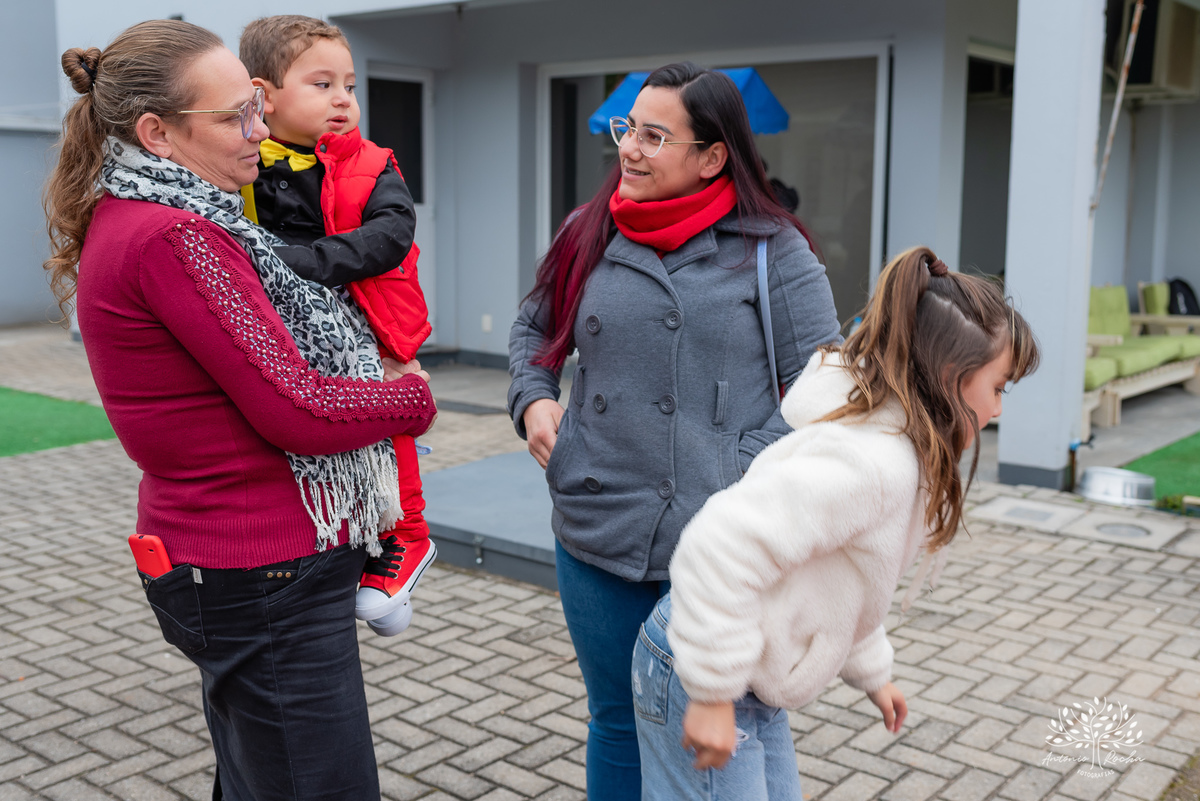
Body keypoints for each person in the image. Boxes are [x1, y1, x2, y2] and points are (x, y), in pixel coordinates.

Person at [43, 20, 436, 800]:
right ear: (157, 132)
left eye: (257, 107)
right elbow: (301, 410)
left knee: (262, 779)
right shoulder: (179, 236)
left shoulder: (161, 216)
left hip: (237, 560)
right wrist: (411, 395)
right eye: (234, 117)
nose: (259, 131)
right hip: (261, 569)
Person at [507, 62, 842, 799]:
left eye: (655, 136)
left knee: (715, 733)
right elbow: (534, 328)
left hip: (718, 544)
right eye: (627, 128)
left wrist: (741, 473)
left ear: (711, 156)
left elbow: (826, 390)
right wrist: (534, 400)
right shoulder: (589, 230)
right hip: (595, 527)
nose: (629, 148)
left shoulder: (772, 250)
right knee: (615, 720)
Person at [633, 247, 1040, 799]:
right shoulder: (874, 466)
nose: (998, 409)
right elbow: (717, 544)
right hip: (703, 661)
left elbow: (848, 580)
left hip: (749, 674)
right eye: (998, 387)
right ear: (950, 377)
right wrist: (709, 694)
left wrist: (874, 672)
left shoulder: (900, 456)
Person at [238, 14, 435, 637]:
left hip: (369, 328)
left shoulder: (371, 163)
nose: (343, 99)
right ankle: (351, 543)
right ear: (263, 95)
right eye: (322, 84)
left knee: (387, 419)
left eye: (349, 85)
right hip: (284, 338)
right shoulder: (242, 165)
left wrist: (292, 264)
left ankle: (407, 538)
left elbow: (391, 235)